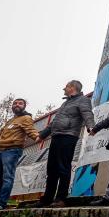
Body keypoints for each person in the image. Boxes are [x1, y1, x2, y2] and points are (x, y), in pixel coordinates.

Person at [35, 80, 94, 208]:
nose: (64, 88)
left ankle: (61, 198)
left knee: (63, 167)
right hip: (56, 136)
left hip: (69, 136)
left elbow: (87, 113)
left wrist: (90, 126)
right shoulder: (65, 103)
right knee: (52, 169)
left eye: (66, 86)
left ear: (72, 87)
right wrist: (42, 135)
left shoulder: (83, 100)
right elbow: (54, 122)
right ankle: (47, 198)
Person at [0, 98, 40, 210]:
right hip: (1, 150)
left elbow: (30, 130)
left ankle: (2, 203)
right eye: (15, 103)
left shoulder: (26, 118)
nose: (17, 105)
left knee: (7, 177)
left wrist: (38, 137)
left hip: (13, 150)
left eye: (20, 103)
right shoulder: (11, 120)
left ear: (24, 106)